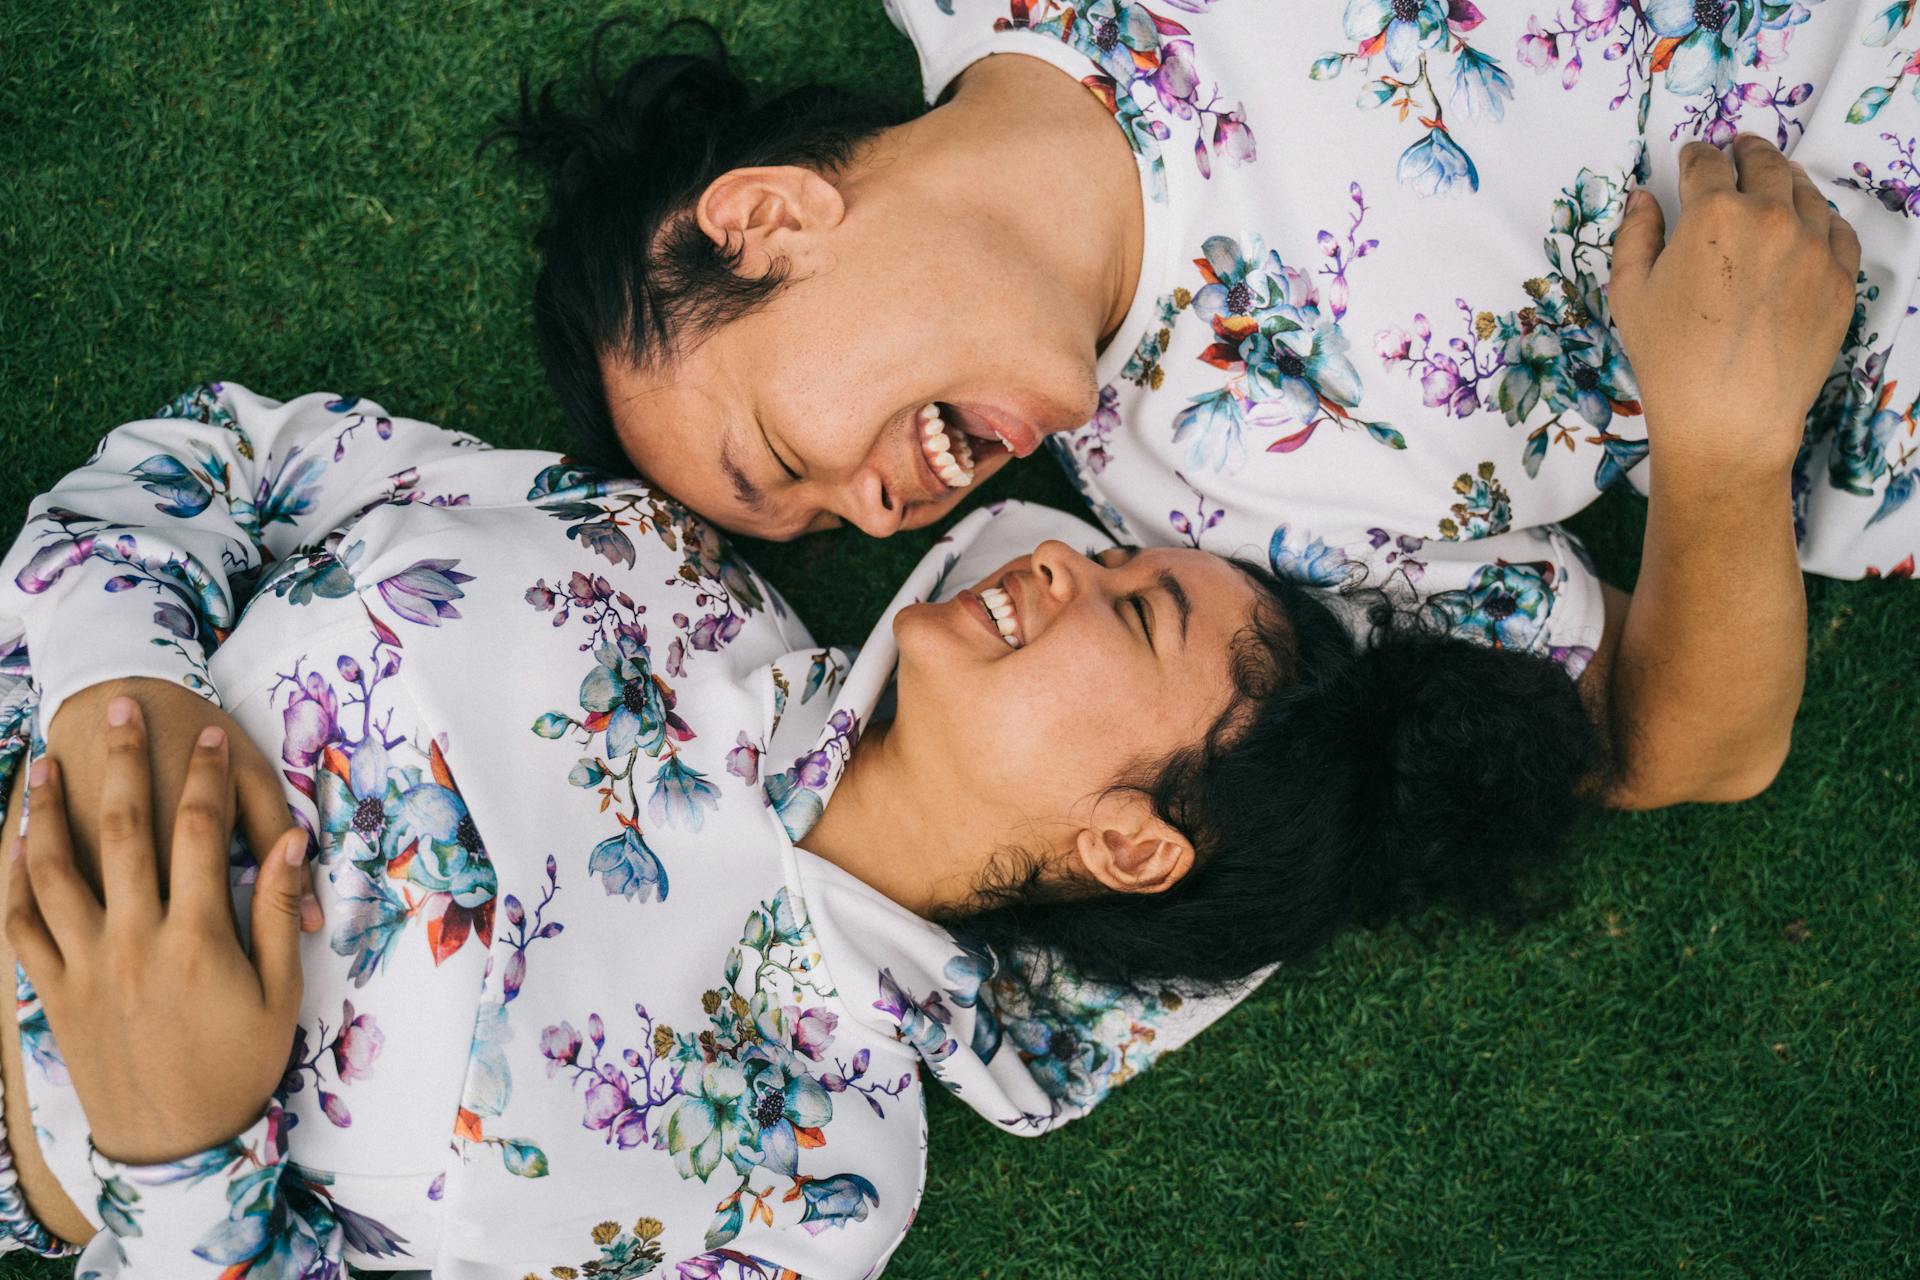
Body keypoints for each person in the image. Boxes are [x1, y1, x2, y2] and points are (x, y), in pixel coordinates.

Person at [0, 385, 1597, 1274]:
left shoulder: (819, 1181)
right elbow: (225, 461)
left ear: (1135, 841)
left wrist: (179, 1152)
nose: (1066, 564)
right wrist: (109, 692)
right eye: (1112, 557)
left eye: (1137, 609)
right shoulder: (658, 562)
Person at [507, 5, 1895, 807]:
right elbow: (1673, 751)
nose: (870, 511)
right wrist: (1726, 447)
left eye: (776, 458)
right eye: (824, 525)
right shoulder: (1226, 512)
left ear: (768, 220)